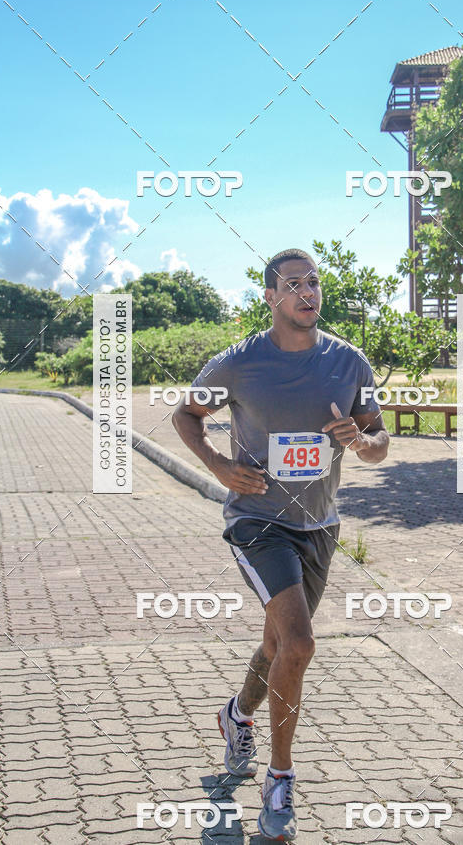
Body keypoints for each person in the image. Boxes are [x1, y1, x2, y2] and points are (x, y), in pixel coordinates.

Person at [172, 248, 389, 840]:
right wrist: (217, 464)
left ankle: (236, 714)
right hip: (258, 520)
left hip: (319, 524)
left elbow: (379, 440)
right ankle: (280, 779)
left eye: (313, 282)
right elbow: (185, 417)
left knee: (279, 647)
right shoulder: (241, 363)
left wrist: (361, 441)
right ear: (270, 298)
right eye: (293, 284)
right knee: (300, 642)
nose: (307, 292)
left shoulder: (348, 362)